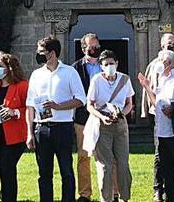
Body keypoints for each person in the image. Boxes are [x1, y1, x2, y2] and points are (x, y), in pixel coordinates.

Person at [26, 36, 88, 202]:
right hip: (42, 128)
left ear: (52, 53)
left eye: (41, 52)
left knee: (66, 170)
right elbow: (30, 105)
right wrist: (29, 133)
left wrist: (58, 106)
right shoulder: (36, 74)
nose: (38, 55)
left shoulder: (69, 72)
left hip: (63, 127)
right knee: (44, 173)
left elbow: (81, 99)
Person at [138, 50, 174, 202]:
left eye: (161, 60)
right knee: (168, 173)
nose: (158, 63)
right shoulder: (161, 79)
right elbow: (156, 102)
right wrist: (146, 86)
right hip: (162, 134)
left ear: (170, 63)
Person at [85, 50, 133, 202]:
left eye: (112, 63)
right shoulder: (96, 80)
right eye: (106, 64)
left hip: (120, 124)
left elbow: (129, 103)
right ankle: (107, 198)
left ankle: (124, 196)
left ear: (117, 64)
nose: (110, 66)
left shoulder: (125, 79)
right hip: (102, 124)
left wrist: (121, 115)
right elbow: (90, 105)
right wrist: (101, 117)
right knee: (105, 166)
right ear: (101, 66)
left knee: (123, 164)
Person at [0, 53, 29, 202]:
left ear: (10, 68)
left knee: (8, 169)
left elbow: (29, 108)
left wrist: (15, 112)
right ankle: (5, 195)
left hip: (15, 136)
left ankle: (8, 197)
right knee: (4, 170)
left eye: (1, 66)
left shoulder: (22, 85)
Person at [142, 33, 174, 202]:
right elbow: (147, 89)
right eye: (167, 43)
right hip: (156, 113)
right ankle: (158, 189)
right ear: (161, 45)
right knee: (159, 154)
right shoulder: (153, 65)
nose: (170, 46)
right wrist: (146, 110)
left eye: (173, 43)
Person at [72, 33, 103, 202]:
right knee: (84, 156)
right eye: (91, 47)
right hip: (83, 118)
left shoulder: (106, 64)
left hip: (104, 116)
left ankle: (111, 192)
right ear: (84, 48)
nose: (94, 49)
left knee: (107, 156)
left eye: (97, 46)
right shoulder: (75, 68)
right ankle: (85, 194)